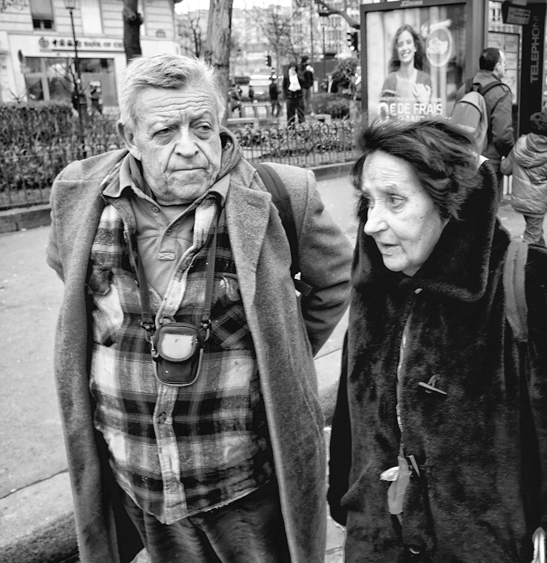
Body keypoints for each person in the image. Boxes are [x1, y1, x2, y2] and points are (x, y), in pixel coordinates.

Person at [45, 53, 353, 563]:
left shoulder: (281, 195)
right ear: (130, 136)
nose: (188, 147)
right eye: (165, 131)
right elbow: (70, 273)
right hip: (136, 473)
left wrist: (282, 350)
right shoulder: (80, 197)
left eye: (202, 127)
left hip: (239, 483)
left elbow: (336, 278)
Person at [327, 118, 547, 562]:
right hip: (377, 544)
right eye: (368, 202)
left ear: (450, 205)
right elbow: (352, 420)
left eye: (395, 201)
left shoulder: (534, 282)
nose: (371, 224)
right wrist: (350, 505)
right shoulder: (376, 288)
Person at [501, 111, 547, 245]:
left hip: (520, 199)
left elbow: (505, 168)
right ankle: (520, 263)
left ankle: (544, 258)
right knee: (531, 240)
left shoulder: (519, 145)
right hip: (536, 205)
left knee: (536, 234)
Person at [454, 47, 515, 204]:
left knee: (466, 209)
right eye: (504, 63)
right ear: (497, 66)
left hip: (464, 159)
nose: (505, 66)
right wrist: (510, 155)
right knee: (487, 214)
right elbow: (502, 135)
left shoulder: (464, 88)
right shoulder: (502, 92)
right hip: (489, 163)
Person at [378, 24, 432, 122]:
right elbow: (383, 120)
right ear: (397, 50)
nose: (404, 48)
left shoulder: (425, 79)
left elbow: (428, 123)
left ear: (415, 47)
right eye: (400, 44)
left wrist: (424, 104)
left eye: (408, 42)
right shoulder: (390, 80)